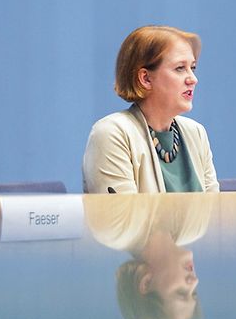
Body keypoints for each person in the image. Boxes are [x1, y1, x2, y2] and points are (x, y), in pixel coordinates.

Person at [82, 25, 219, 193]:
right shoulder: (112, 134)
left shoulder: (196, 133)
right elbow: (124, 217)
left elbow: (214, 213)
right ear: (145, 78)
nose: (193, 79)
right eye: (180, 68)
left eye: (193, 67)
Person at [84, 192, 215, 319]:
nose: (194, 281)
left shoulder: (113, 227)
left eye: (181, 292)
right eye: (194, 293)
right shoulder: (195, 225)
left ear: (146, 282)